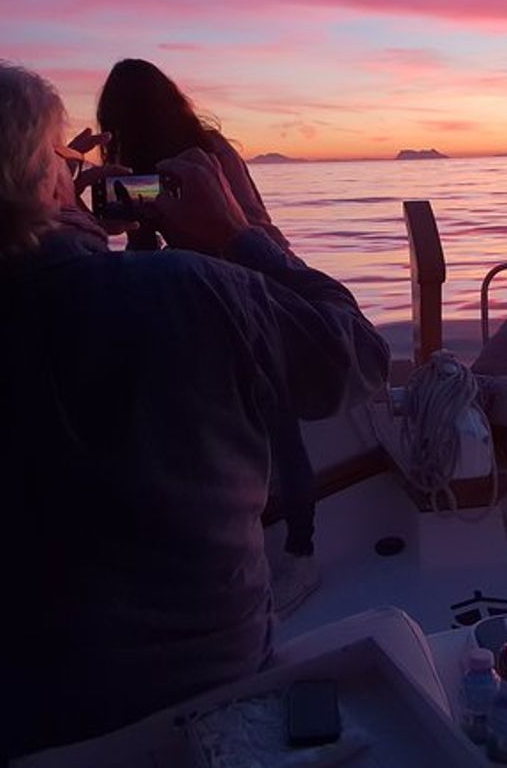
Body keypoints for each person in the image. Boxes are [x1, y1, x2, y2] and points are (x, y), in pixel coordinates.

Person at [0, 46, 389, 764]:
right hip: (214, 702)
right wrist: (240, 236)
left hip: (13, 732)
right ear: (44, 182)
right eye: (63, 157)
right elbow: (357, 360)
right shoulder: (193, 294)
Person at [95, 58, 320, 614]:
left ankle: (303, 552)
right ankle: (248, 530)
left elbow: (238, 226)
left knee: (279, 420)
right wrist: (107, 212)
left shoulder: (207, 158)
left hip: (256, 285)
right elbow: (143, 251)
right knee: (229, 422)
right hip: (209, 298)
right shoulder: (153, 170)